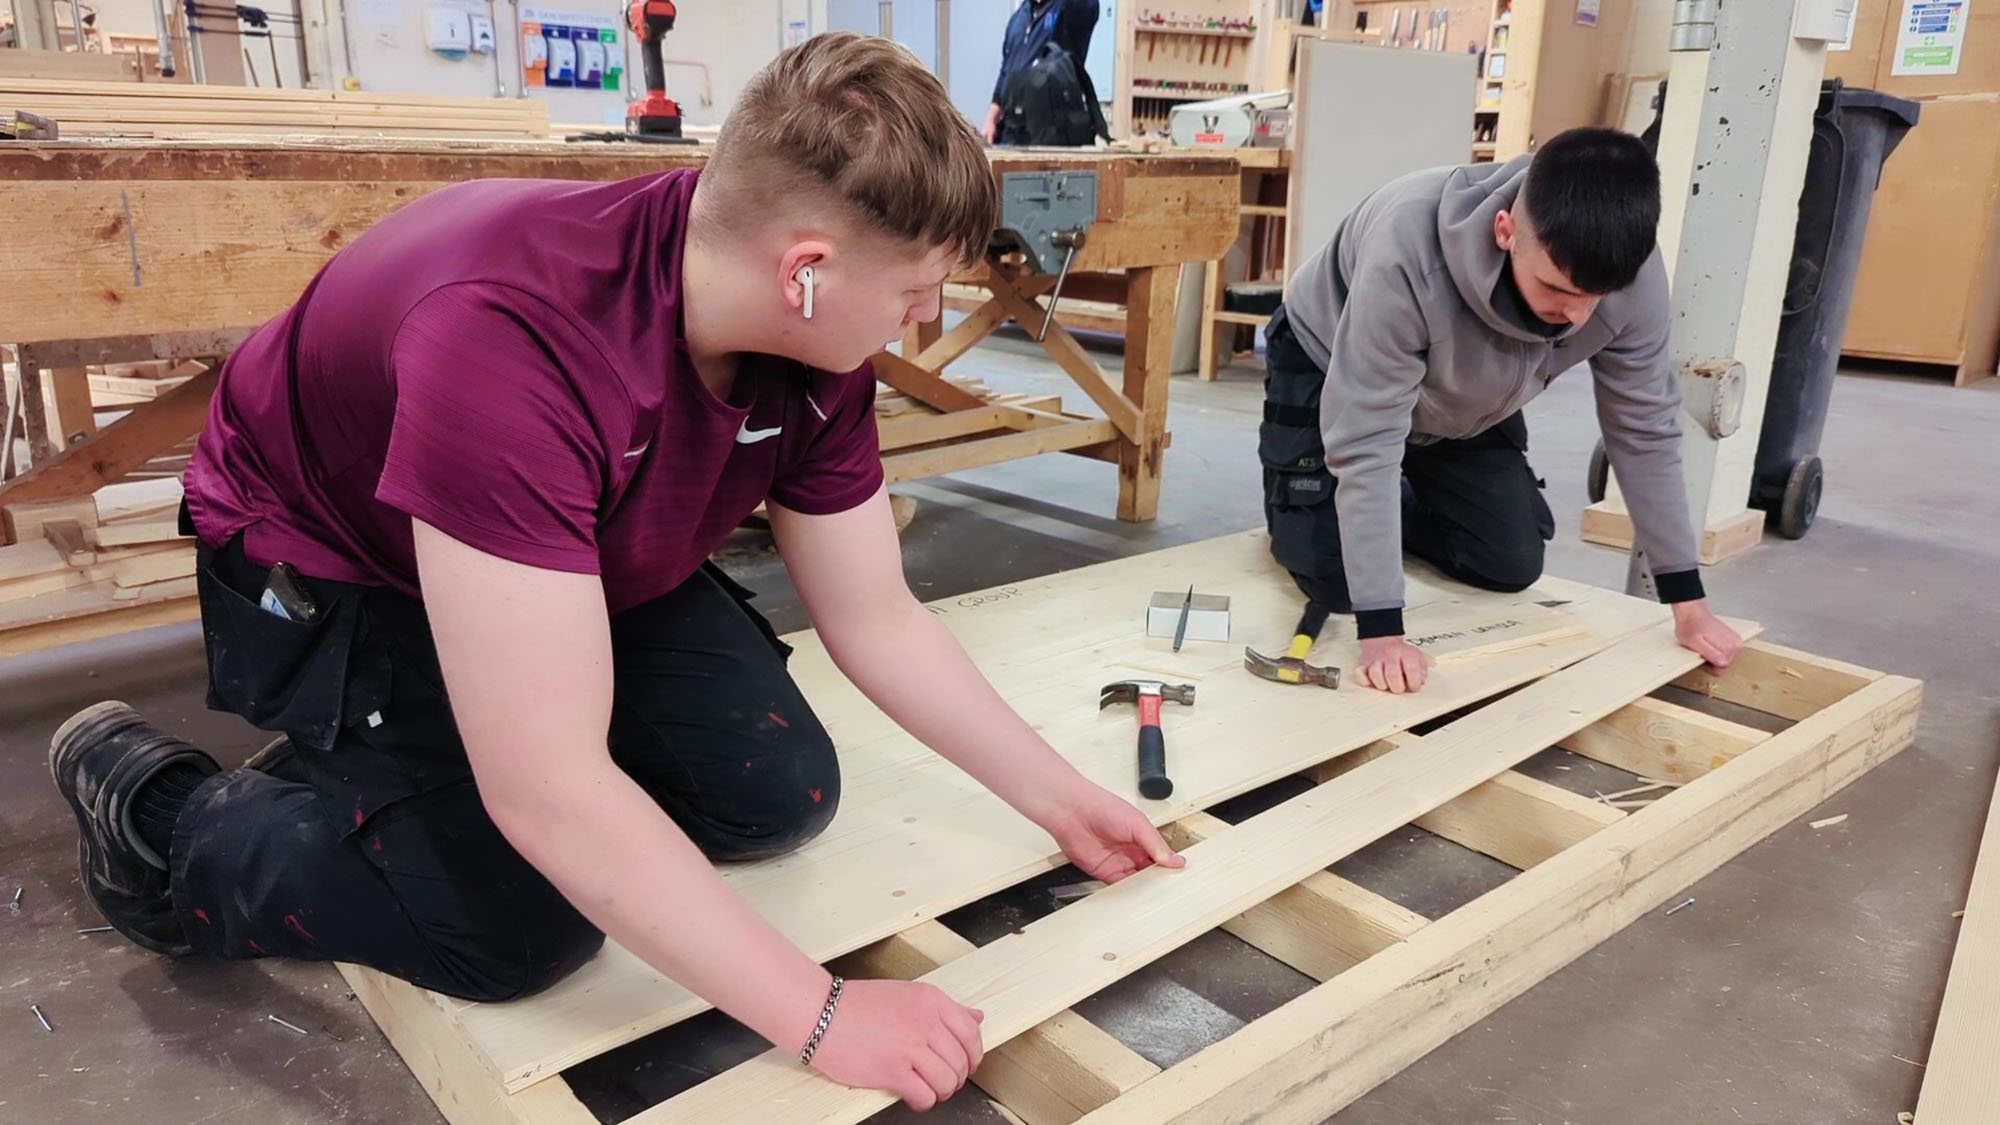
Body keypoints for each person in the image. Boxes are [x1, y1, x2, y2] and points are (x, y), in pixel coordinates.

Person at [50, 32, 1182, 1113]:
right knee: (512, 926)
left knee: (773, 792)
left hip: (560, 546)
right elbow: (548, 789)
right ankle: (168, 818)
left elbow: (878, 618)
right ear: (806, 271)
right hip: (338, 555)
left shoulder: (809, 341)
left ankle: (422, 753)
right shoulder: (513, 344)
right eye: (917, 288)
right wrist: (823, 1015)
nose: (926, 315)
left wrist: (1064, 801)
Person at [1259, 127, 1745, 694]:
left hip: (1465, 397)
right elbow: (1367, 441)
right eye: (1558, 289)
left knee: (1509, 563)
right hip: (1327, 359)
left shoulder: (1627, 275)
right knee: (1340, 586)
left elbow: (1645, 432)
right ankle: (1321, 507)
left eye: (1595, 297)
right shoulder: (1407, 251)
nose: (1578, 316)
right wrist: (1383, 633)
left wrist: (1690, 607)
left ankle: (1386, 501)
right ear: (1505, 230)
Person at [983, 0, 1101, 144]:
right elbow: (1006, 69)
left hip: (1052, 130)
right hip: (1014, 128)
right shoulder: (1019, 16)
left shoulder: (1071, 9)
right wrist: (991, 118)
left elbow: (1089, 8)